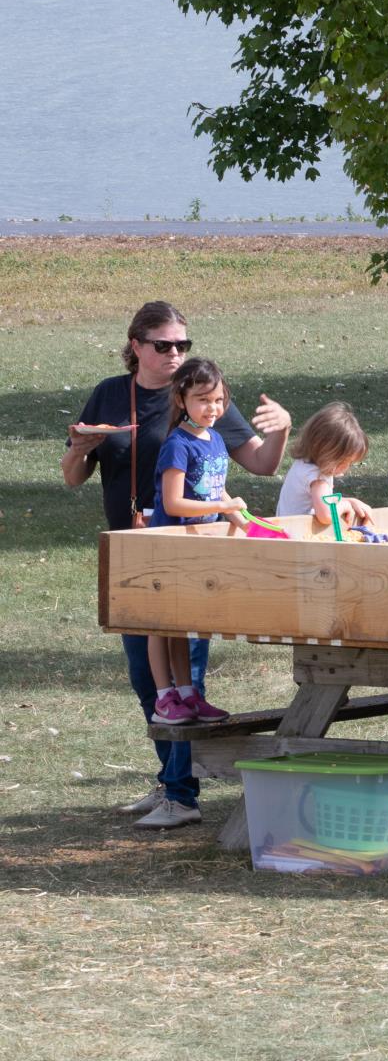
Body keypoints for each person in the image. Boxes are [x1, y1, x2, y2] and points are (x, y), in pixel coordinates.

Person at [62, 301, 291, 830]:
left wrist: (280, 428)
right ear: (136, 345)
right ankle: (171, 780)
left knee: (183, 669)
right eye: (163, 345)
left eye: (182, 345)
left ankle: (183, 795)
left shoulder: (199, 394)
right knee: (148, 678)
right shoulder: (110, 394)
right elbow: (74, 476)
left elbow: (260, 464)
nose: (174, 354)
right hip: (130, 557)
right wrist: (79, 449)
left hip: (187, 559)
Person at [145, 356, 246, 727]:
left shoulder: (216, 439)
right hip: (167, 545)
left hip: (197, 549)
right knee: (160, 625)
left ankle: (188, 694)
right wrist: (221, 504)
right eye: (203, 399)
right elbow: (172, 502)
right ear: (181, 399)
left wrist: (241, 520)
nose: (213, 408)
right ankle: (163, 698)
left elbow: (217, 489)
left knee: (182, 625)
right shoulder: (177, 444)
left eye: (218, 400)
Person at [276, 402, 374, 530]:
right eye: (345, 461)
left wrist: (348, 501)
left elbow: (320, 502)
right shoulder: (318, 478)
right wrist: (344, 506)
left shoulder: (303, 464)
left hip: (285, 530)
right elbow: (326, 515)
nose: (347, 467)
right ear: (328, 453)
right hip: (299, 538)